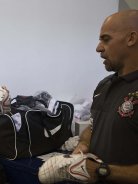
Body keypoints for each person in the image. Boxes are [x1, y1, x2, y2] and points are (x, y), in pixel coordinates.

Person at [38, 10, 138, 184]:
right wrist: (82, 146)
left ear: (131, 38)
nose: (98, 47)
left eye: (106, 39)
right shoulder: (104, 85)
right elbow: (94, 127)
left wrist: (101, 170)